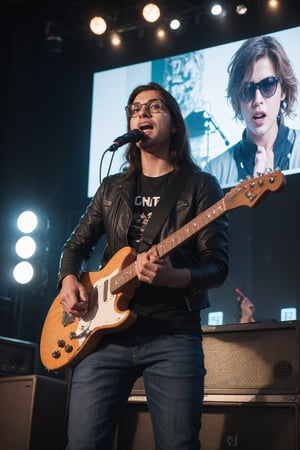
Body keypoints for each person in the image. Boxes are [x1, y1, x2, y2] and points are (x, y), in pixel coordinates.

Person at [58, 81, 229, 450]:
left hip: (172, 335)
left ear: (175, 124)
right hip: (103, 337)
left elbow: (216, 266)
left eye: (153, 107)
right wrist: (68, 279)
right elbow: (75, 246)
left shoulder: (201, 186)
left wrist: (174, 277)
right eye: (135, 108)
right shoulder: (111, 188)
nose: (141, 113)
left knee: (178, 444)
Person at [204, 35, 300, 186]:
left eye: (268, 85)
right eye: (247, 90)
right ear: (237, 98)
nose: (257, 100)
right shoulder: (214, 172)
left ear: (283, 91)